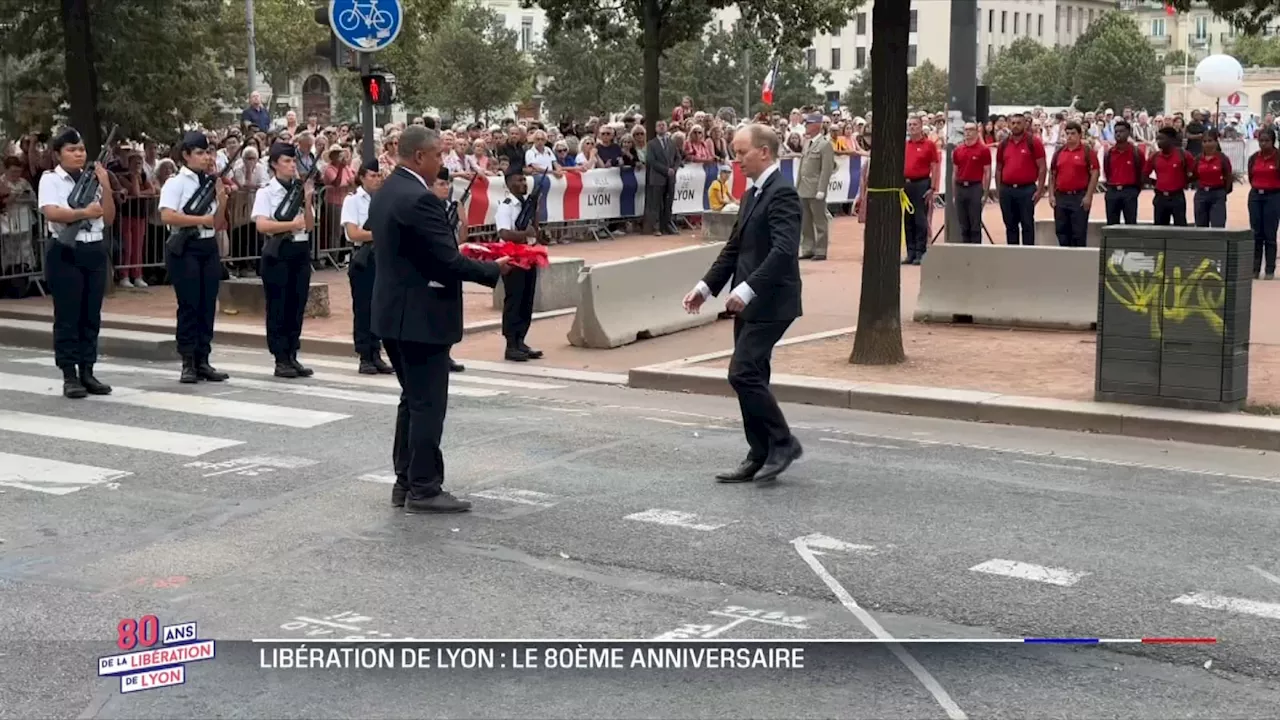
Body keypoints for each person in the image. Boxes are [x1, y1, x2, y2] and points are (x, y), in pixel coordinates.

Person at [369, 126, 511, 514]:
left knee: (411, 402)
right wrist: (491, 269)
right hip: (420, 317)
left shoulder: (386, 193)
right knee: (428, 405)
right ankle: (425, 488)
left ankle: (406, 481)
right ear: (418, 157)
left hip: (393, 314)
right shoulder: (420, 199)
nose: (442, 163)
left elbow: (420, 252)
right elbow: (444, 261)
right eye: (437, 156)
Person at [682, 124, 803, 485]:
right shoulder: (752, 194)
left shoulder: (782, 194)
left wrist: (747, 289)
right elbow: (735, 248)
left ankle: (784, 442)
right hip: (747, 302)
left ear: (763, 152)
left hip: (772, 301)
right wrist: (706, 287)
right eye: (734, 153)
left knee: (742, 372)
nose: (736, 161)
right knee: (754, 375)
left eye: (741, 152)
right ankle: (759, 451)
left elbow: (784, 251)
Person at [38, 128, 115, 398]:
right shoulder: (51, 180)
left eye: (81, 149)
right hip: (66, 250)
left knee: (90, 315)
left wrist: (104, 184)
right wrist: (83, 212)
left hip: (93, 248)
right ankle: (69, 374)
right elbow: (52, 212)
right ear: (58, 154)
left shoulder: (91, 179)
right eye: (71, 149)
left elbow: (109, 217)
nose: (78, 154)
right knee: (68, 316)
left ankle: (88, 371)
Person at [159, 132, 231, 383]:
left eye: (208, 152)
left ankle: (203, 359)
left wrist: (221, 201)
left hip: (207, 244)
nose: (206, 158)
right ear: (186, 155)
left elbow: (218, 222)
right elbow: (167, 216)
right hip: (185, 247)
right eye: (199, 153)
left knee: (207, 304)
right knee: (189, 304)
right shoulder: (176, 183)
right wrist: (200, 219)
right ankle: (187, 361)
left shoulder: (209, 183)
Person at [251, 142, 316, 378]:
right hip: (278, 252)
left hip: (300, 249)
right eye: (286, 161)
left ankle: (292, 354)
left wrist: (308, 200)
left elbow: (308, 225)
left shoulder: (298, 190)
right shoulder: (266, 192)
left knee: (297, 305)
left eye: (293, 161)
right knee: (278, 305)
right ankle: (280, 357)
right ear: (274, 165)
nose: (291, 166)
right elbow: (262, 225)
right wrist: (290, 225)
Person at [342, 157, 394, 375]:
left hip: (381, 258)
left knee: (379, 307)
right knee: (363, 308)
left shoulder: (384, 200)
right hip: (363, 258)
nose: (376, 179)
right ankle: (364, 355)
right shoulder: (353, 201)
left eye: (378, 175)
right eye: (372, 176)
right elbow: (353, 233)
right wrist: (380, 235)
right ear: (362, 177)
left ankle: (376, 352)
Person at [493, 172, 543, 362]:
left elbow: (535, 229)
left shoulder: (526, 204)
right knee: (514, 299)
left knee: (527, 300)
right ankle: (511, 344)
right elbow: (504, 233)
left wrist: (536, 210)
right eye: (519, 180)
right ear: (509, 184)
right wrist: (524, 233)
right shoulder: (506, 206)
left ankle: (521, 340)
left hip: (529, 255)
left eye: (524, 180)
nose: (523, 183)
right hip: (512, 258)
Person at [429, 167, 468, 373]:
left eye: (447, 184)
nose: (446, 188)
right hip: (435, 265)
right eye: (441, 184)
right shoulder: (429, 208)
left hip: (452, 262)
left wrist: (463, 220)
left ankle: (447, 353)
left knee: (452, 311)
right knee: (437, 310)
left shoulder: (451, 206)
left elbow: (461, 238)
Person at [995, 112, 1047, 246]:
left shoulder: (1033, 142)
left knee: (1027, 224)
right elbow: (999, 168)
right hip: (1007, 190)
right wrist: (999, 189)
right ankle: (1013, 255)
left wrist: (1040, 190)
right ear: (1008, 124)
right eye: (1013, 123)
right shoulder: (1004, 144)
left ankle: (1028, 255)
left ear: (1025, 124)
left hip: (1027, 190)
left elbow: (1042, 167)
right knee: (1010, 225)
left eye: (1019, 123)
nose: (1015, 126)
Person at [1047, 122, 1099, 248]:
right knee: (1061, 230)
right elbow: (1052, 174)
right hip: (1061, 197)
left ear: (1080, 135)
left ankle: (1079, 262)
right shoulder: (1059, 152)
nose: (1069, 136)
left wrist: (1088, 196)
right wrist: (1051, 195)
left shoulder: (1087, 152)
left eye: (1073, 133)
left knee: (1079, 232)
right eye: (1067, 133)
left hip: (1079, 197)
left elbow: (1095, 173)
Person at [796, 113, 835, 261]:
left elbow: (826, 169)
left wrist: (822, 189)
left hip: (815, 188)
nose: (806, 126)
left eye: (808, 123)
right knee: (805, 221)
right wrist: (797, 186)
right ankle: (808, 248)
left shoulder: (825, 145)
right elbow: (802, 167)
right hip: (803, 188)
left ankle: (821, 249)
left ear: (816, 126)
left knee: (819, 220)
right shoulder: (807, 143)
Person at [903, 116, 939, 264]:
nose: (912, 127)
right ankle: (910, 252)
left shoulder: (929, 145)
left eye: (915, 124)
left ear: (921, 126)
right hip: (907, 184)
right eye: (910, 125)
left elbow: (935, 166)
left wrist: (933, 187)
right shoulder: (905, 144)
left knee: (920, 219)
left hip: (922, 183)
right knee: (908, 219)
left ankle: (920, 251)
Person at [1247, 128, 1280, 280]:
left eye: (1267, 141)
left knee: (1270, 234)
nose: (1263, 144)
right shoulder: (1254, 158)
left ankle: (1269, 269)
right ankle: (1255, 268)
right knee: (1256, 233)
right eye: (1261, 141)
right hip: (1255, 196)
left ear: (1273, 141)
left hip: (1273, 196)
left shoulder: (1278, 157)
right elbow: (1250, 176)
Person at [1144, 127, 1193, 226]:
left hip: (1177, 197)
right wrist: (1155, 183)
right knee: (1159, 228)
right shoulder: (1154, 156)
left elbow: (1193, 172)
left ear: (1171, 140)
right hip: (1160, 197)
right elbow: (1144, 174)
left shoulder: (1183, 155)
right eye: (1157, 139)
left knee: (1181, 227)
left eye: (1161, 139)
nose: (1158, 142)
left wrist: (1183, 182)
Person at [952, 121, 992, 244]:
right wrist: (954, 194)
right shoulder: (958, 150)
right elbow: (955, 172)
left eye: (971, 130)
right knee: (963, 224)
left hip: (975, 187)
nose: (968, 132)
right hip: (960, 187)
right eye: (966, 130)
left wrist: (985, 193)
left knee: (975, 224)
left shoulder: (983, 150)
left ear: (976, 132)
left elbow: (987, 172)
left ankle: (976, 250)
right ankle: (965, 252)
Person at [1103, 120, 1144, 225]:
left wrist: (1135, 190)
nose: (1118, 134)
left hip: (1129, 191)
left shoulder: (1136, 153)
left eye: (1121, 131)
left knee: (1131, 224)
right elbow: (1107, 171)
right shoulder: (1109, 153)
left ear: (1128, 133)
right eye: (1116, 131)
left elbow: (1141, 172)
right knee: (1111, 225)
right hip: (1112, 191)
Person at [645, 120, 681, 235]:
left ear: (666, 128)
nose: (661, 127)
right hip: (657, 177)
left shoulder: (671, 143)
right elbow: (651, 161)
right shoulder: (651, 144)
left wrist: (674, 169)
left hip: (670, 178)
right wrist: (666, 170)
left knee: (668, 202)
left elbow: (678, 158)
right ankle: (656, 227)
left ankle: (668, 224)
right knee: (656, 203)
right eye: (659, 125)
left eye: (663, 125)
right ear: (656, 129)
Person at [1193, 129, 1232, 229]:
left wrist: (1222, 192)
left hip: (1217, 194)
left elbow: (1228, 177)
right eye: (1204, 141)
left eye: (1210, 141)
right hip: (1201, 195)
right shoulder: (1198, 159)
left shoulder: (1222, 158)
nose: (1207, 144)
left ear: (1216, 142)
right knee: (1200, 226)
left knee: (1218, 225)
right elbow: (1194, 175)